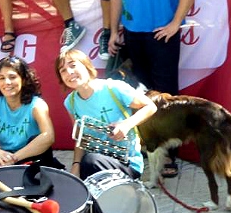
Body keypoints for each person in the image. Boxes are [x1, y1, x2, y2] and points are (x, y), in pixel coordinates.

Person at [108, 0, 199, 178]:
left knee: (166, 98)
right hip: (133, 32)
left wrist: (176, 22)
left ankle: (170, 156)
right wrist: (113, 30)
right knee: (142, 98)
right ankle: (150, 151)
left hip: (162, 32)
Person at [56, 48, 156, 180]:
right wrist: (76, 165)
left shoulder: (113, 88)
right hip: (95, 163)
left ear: (87, 66)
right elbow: (81, 139)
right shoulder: (71, 102)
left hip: (125, 163)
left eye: (73, 65)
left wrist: (126, 125)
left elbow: (150, 106)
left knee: (90, 161)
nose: (69, 72)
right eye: (63, 70)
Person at [0, 56, 63, 169]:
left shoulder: (37, 105)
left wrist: (14, 158)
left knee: (39, 142)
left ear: (23, 80)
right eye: (2, 78)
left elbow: (48, 137)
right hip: (3, 156)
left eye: (12, 77)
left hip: (29, 158)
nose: (7, 82)